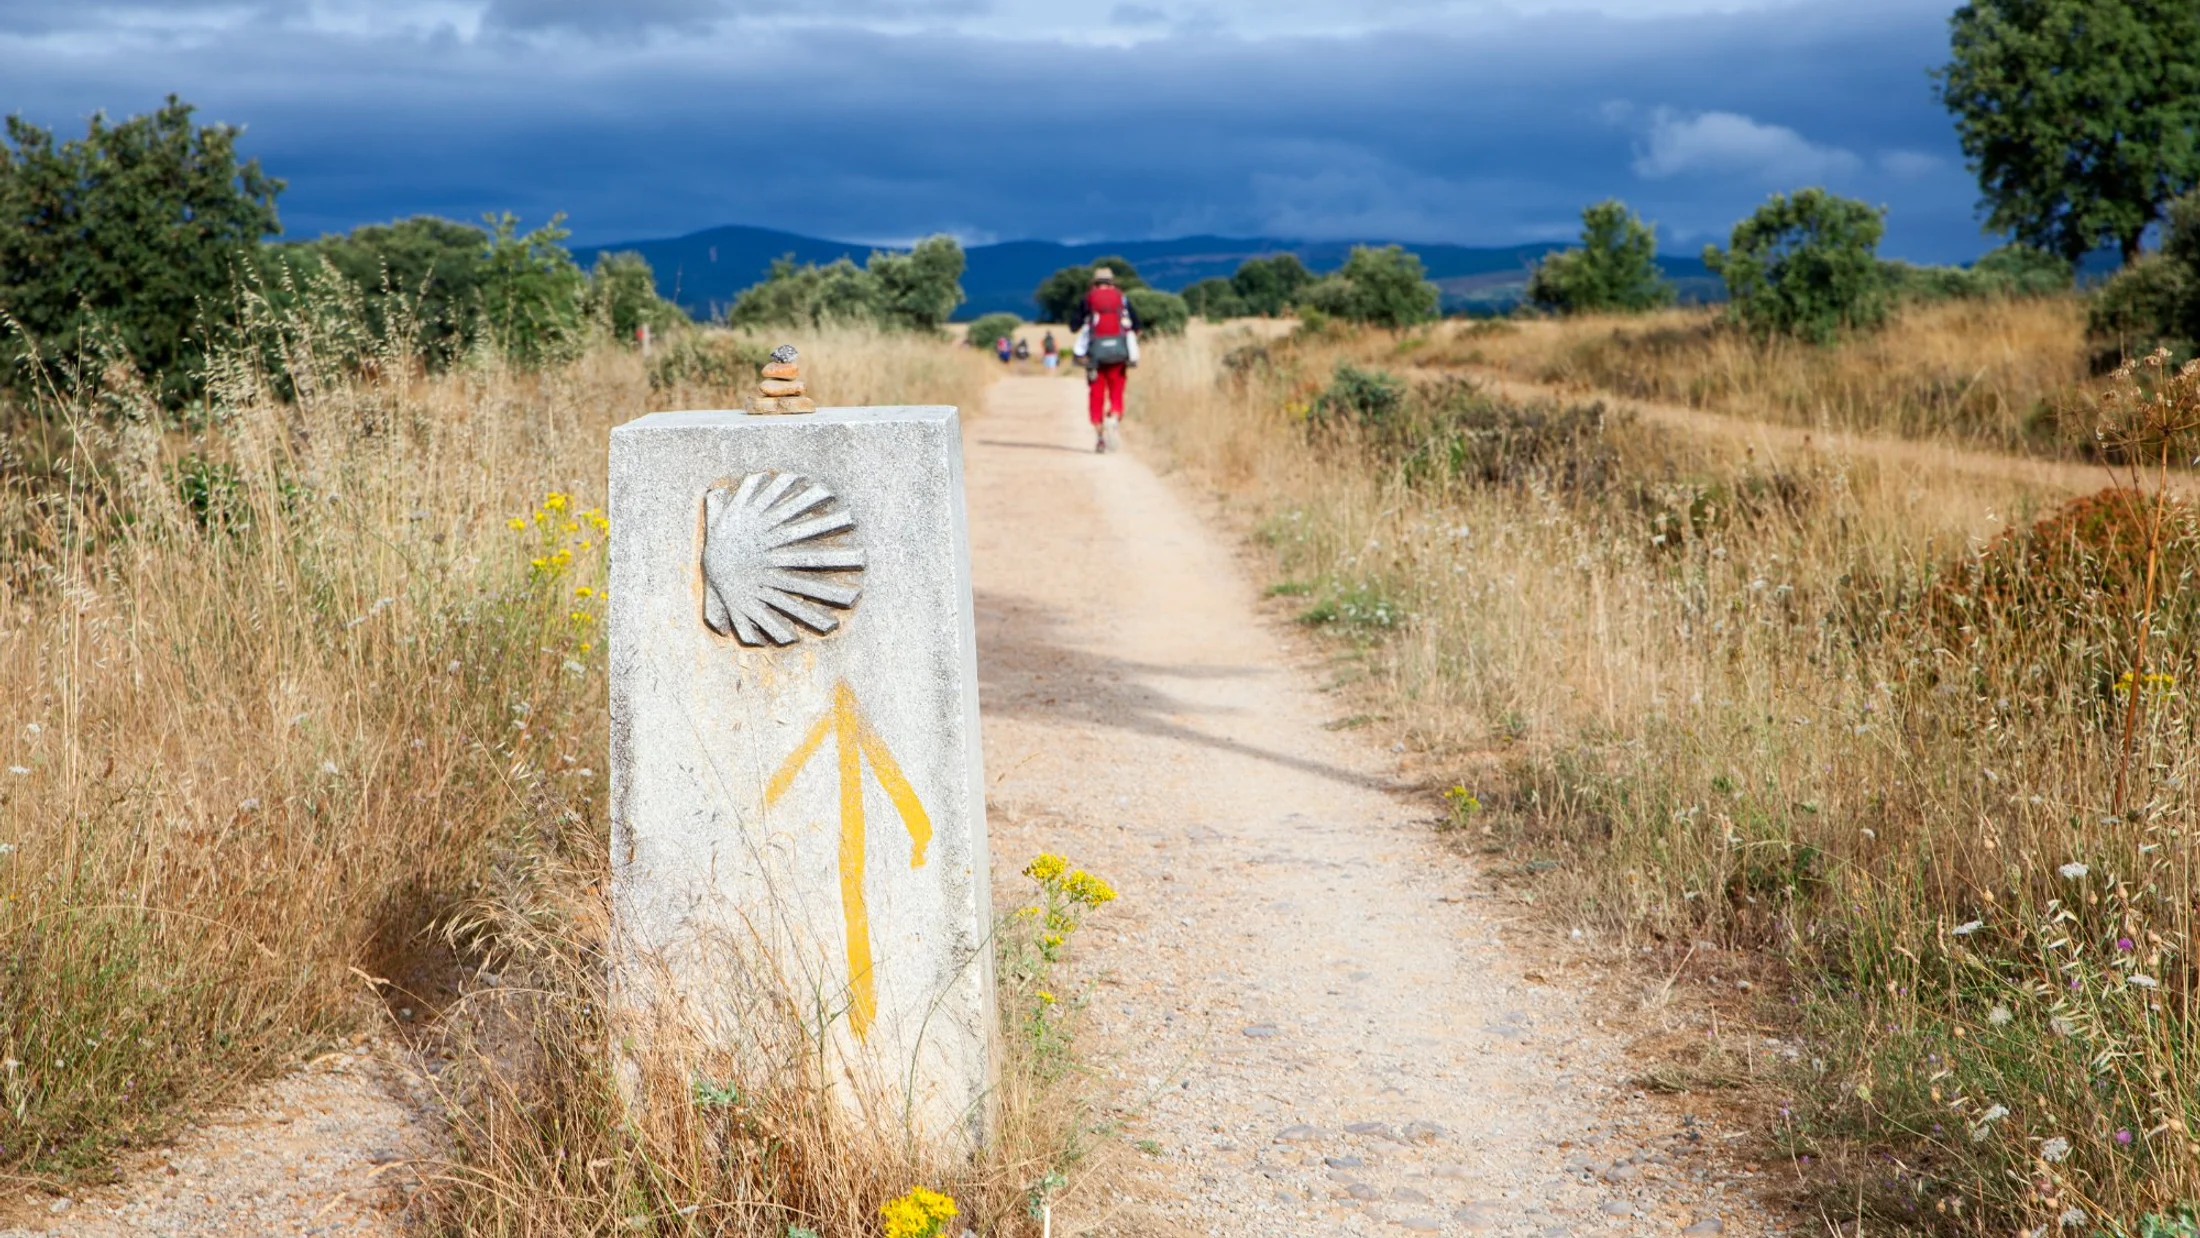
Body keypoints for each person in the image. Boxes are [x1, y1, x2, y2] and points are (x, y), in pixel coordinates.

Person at [1070, 267, 1138, 453]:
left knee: (1096, 395)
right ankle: (1114, 417)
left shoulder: (1088, 299)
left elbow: (1073, 325)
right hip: (1119, 356)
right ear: (1112, 282)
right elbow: (1136, 325)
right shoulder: (1122, 298)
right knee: (1117, 391)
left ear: (1094, 282)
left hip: (1095, 357)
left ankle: (1100, 438)